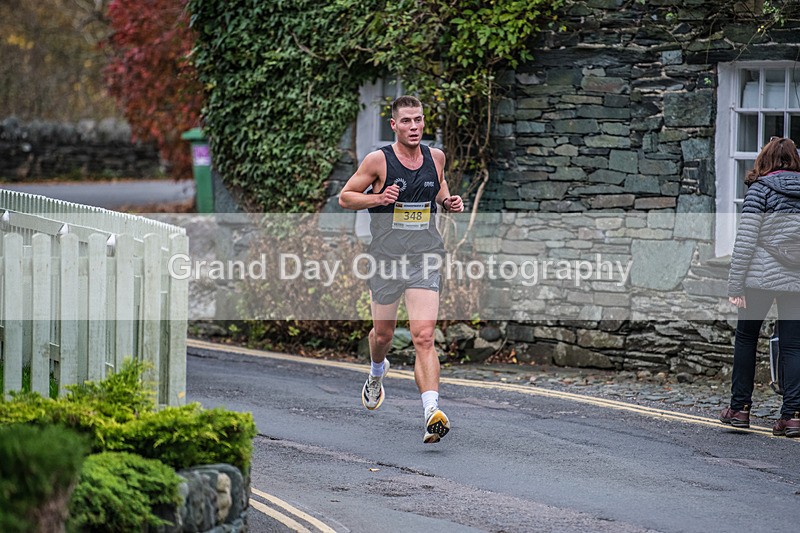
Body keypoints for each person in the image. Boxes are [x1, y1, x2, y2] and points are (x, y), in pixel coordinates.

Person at [338, 95, 464, 443]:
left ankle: (431, 412)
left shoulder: (435, 157)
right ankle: (377, 371)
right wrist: (378, 199)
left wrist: (450, 203)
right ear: (393, 125)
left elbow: (440, 193)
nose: (414, 127)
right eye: (406, 121)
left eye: (419, 120)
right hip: (385, 259)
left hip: (425, 255)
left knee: (424, 336)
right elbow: (346, 197)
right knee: (383, 336)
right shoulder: (379, 160)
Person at [722, 136, 800, 438]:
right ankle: (791, 416)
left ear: (765, 158)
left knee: (746, 340)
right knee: (793, 346)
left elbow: (745, 242)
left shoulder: (760, 190)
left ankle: (739, 409)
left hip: (760, 278)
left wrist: (735, 284)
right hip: (796, 280)